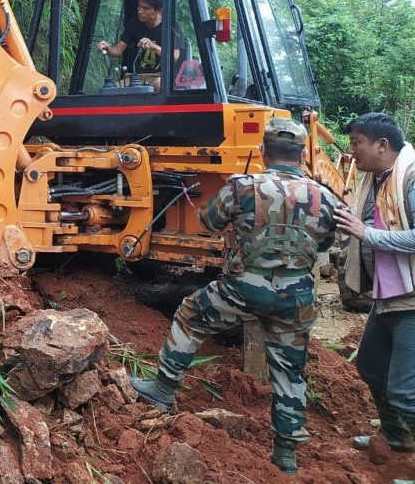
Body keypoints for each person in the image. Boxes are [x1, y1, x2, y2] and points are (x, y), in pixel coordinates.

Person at [128, 117, 338, 475]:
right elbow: (327, 241)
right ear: (302, 154)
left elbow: (209, 221)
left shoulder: (244, 187)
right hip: (296, 296)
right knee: (289, 371)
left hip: (243, 287)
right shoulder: (325, 195)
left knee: (191, 315)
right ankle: (285, 454)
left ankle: (162, 389)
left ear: (262, 151)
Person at [333, 112, 415, 458]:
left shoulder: (409, 180)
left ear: (382, 145)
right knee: (368, 365)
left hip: (411, 299)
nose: (351, 152)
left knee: (404, 392)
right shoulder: (376, 181)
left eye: (356, 144)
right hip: (388, 295)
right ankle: (398, 438)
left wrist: (369, 234)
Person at [97, 0, 177, 92]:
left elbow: (174, 57)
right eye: (139, 6)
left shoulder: (171, 27)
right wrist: (107, 48)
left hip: (158, 77)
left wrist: (152, 46)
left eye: (145, 8)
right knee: (110, 92)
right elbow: (117, 51)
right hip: (134, 77)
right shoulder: (134, 24)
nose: (140, 11)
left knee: (162, 88)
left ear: (158, 11)